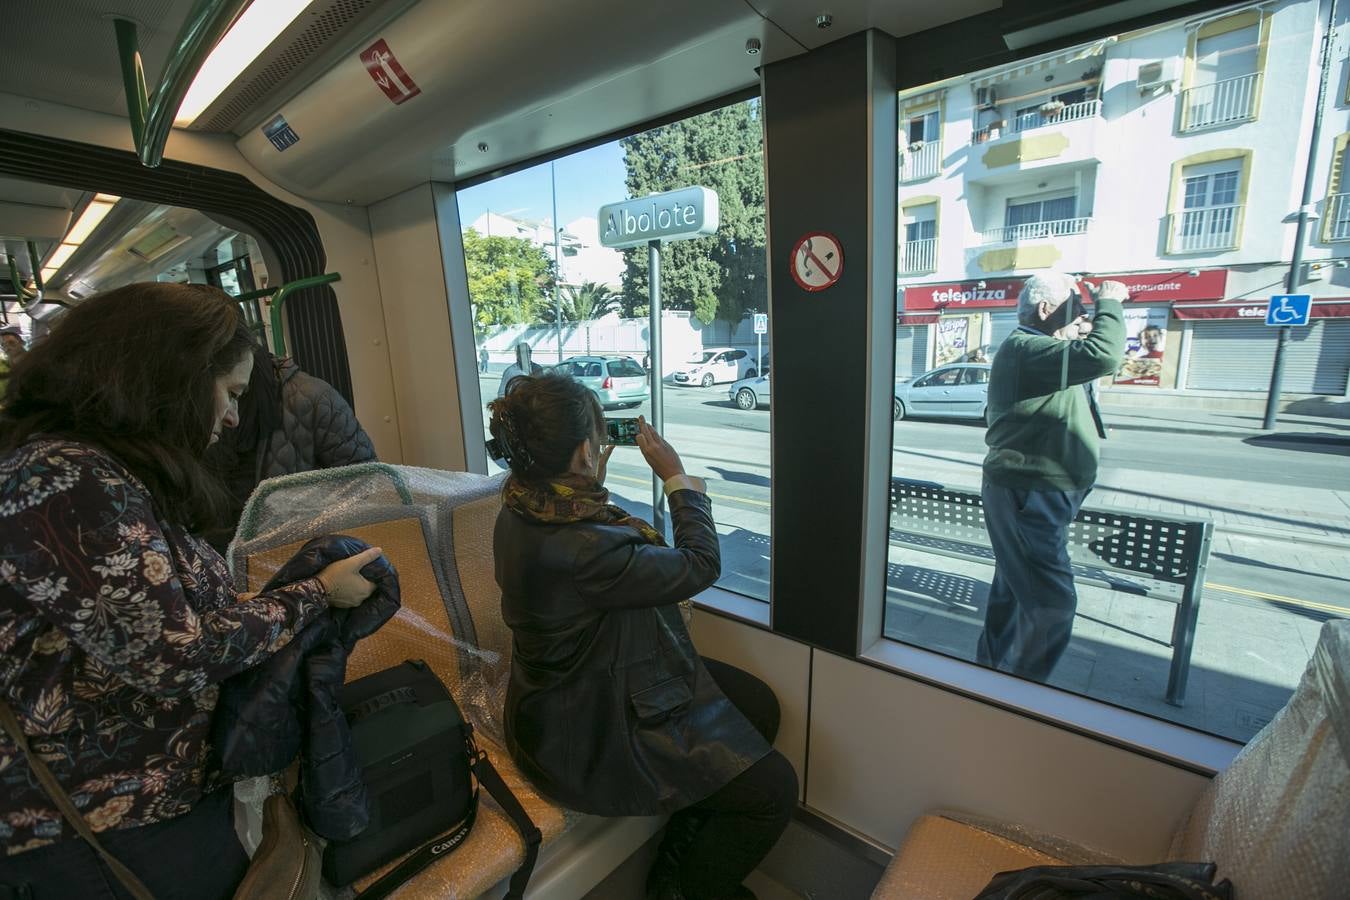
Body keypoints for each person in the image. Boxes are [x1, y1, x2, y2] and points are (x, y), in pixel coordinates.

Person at [0, 283, 382, 898]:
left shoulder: (104, 472)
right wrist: (315, 594)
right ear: (169, 377)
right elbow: (176, 654)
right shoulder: (70, 482)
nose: (233, 418)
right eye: (230, 394)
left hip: (141, 798)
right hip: (102, 819)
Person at [490, 373, 797, 900]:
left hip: (562, 695)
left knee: (759, 706)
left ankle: (680, 863)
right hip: (587, 728)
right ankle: (684, 891)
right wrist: (676, 477)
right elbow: (699, 565)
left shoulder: (523, 506)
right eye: (601, 436)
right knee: (775, 789)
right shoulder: (584, 544)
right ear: (586, 452)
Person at [978, 272, 1126, 681]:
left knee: (1012, 589)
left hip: (1032, 493)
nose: (1084, 322)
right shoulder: (1028, 349)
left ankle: (988, 677)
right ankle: (1019, 697)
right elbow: (1105, 355)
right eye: (1077, 313)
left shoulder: (1039, 351)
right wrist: (1109, 303)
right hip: (1030, 496)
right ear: (1046, 311)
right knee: (1052, 604)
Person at [203, 346, 376, 552]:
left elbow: (367, 489)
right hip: (217, 561)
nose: (234, 418)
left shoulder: (314, 400)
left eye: (236, 394)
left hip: (299, 559)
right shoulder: (189, 415)